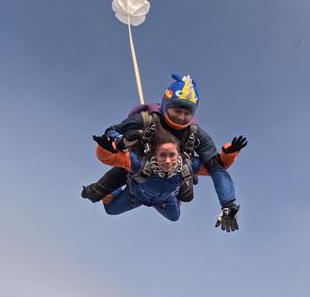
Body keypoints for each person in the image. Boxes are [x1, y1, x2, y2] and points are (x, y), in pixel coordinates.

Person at [82, 74, 247, 230]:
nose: (181, 117)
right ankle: (113, 190)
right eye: (177, 110)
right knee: (98, 197)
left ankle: (170, 193)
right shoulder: (146, 120)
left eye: (187, 112)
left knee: (181, 204)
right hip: (137, 170)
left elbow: (216, 167)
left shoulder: (195, 134)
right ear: (166, 104)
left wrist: (228, 204)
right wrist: (118, 141)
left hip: (170, 185)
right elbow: (111, 131)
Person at [95, 124, 242, 231]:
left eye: (172, 155)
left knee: (174, 217)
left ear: (179, 154)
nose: (167, 161)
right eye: (162, 155)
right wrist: (110, 146)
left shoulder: (188, 165)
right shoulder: (139, 162)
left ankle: (178, 191)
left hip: (165, 199)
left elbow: (215, 167)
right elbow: (111, 157)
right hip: (136, 195)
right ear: (154, 154)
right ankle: (117, 186)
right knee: (110, 209)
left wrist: (228, 154)